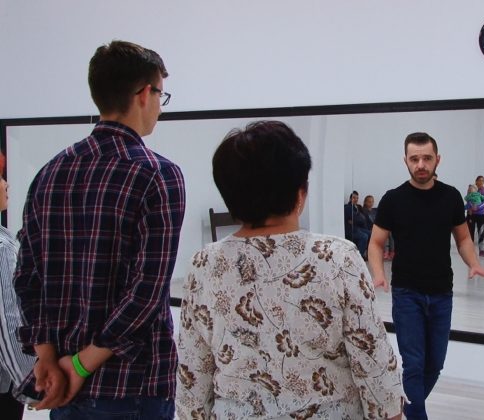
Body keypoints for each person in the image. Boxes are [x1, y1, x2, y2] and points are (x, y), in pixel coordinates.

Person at [176, 121, 404, 419]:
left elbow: (192, 376)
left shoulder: (203, 265)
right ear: (301, 192)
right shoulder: (337, 258)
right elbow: (374, 365)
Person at [13, 40, 185, 418]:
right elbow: (146, 291)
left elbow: (27, 277)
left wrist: (48, 357)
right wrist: (79, 365)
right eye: (161, 95)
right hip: (132, 387)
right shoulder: (158, 174)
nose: (160, 106)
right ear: (144, 94)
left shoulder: (49, 173)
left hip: (64, 387)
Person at [368, 132, 484, 419]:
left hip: (441, 293)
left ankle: (401, 406)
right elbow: (376, 243)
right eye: (414, 159)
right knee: (414, 364)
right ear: (405, 161)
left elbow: (463, 238)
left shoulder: (450, 196)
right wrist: (378, 274)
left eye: (427, 158)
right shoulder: (393, 199)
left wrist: (473, 263)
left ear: (437, 159)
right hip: (406, 293)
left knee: (434, 365)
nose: (421, 164)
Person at [0, 153, 35, 420]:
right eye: (0, 177)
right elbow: (8, 324)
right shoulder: (2, 248)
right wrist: (31, 384)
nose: (6, 184)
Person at [464, 181, 484, 257]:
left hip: (481, 216)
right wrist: (469, 207)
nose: (470, 190)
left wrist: (478, 207)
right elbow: (467, 205)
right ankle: (470, 249)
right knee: (470, 232)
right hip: (471, 216)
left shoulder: (483, 192)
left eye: (482, 180)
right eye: (469, 190)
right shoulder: (469, 196)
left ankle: (481, 250)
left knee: (481, 232)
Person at [344, 191, 371, 257]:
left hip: (358, 227)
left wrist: (357, 219)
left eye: (357, 198)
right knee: (364, 236)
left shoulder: (358, 207)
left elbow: (362, 219)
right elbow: (356, 219)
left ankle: (368, 255)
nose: (356, 199)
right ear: (350, 199)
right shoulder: (348, 208)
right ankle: (358, 257)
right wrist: (358, 219)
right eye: (354, 198)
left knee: (370, 233)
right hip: (350, 229)